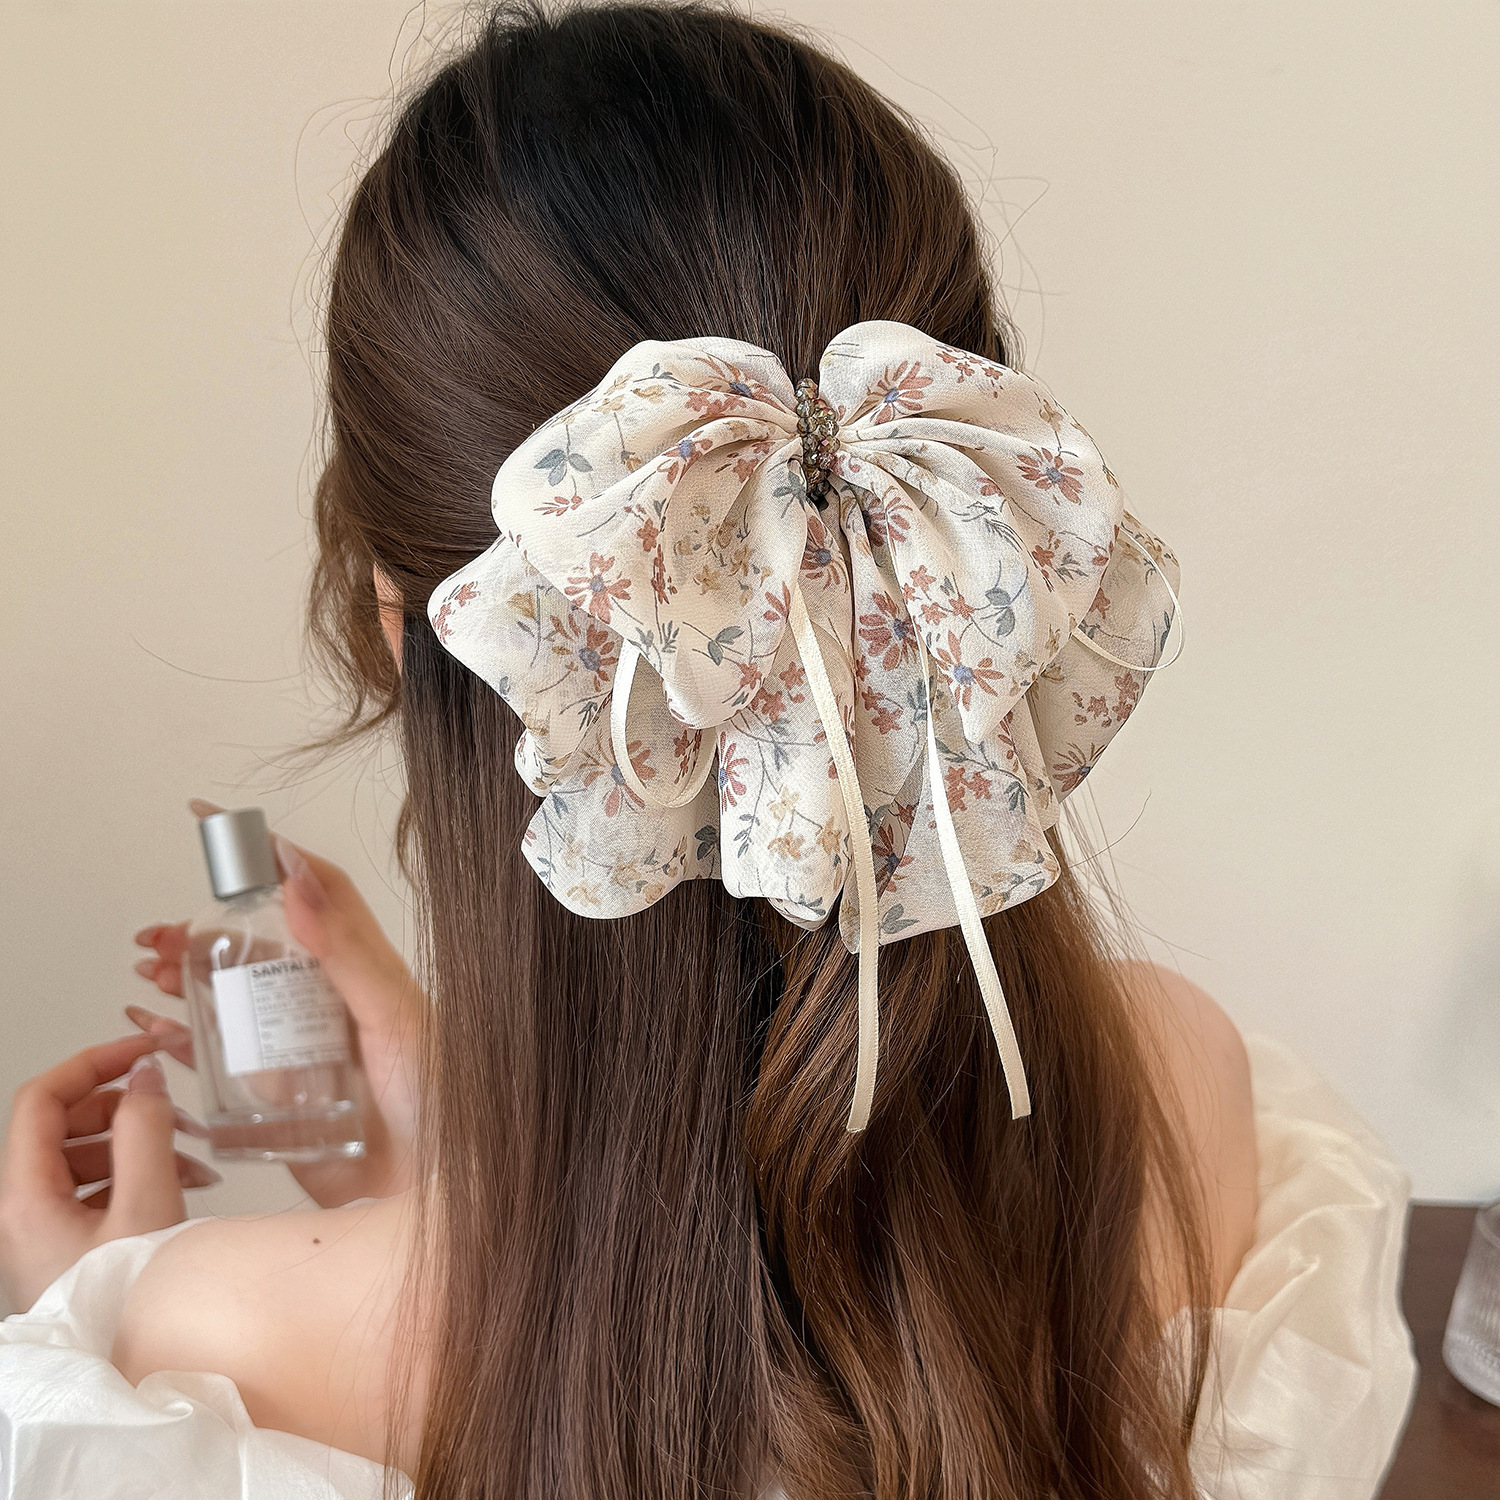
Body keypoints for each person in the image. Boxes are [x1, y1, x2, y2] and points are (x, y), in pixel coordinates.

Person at [0, 4, 1415, 1498]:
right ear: (969, 533)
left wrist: (86, 1313)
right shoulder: (1179, 1096)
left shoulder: (213, 1350)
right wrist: (440, 1135)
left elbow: (630, 1332)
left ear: (409, 623)